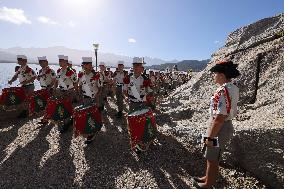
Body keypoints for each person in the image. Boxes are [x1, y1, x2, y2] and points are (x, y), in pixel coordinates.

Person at [194, 60, 240, 189]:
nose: (214, 76)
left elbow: (220, 117)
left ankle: (208, 184)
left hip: (219, 127)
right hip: (220, 125)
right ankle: (207, 177)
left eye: (215, 74)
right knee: (211, 155)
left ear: (221, 75)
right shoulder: (232, 87)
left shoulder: (223, 90)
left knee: (213, 158)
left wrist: (210, 136)